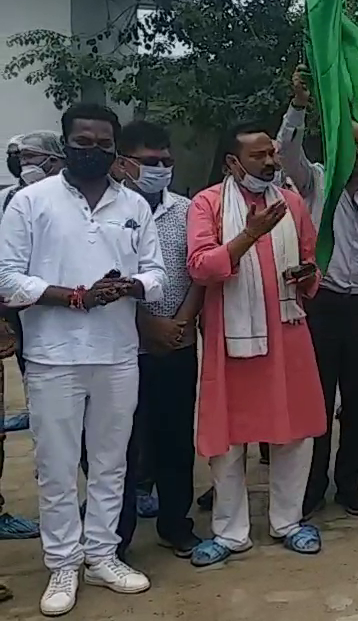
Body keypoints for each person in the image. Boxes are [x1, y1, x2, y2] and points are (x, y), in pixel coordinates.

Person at [0, 103, 165, 616]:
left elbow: (157, 273)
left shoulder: (135, 206)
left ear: (115, 147)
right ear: (66, 143)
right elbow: (6, 277)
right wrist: (71, 296)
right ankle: (63, 564)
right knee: (55, 465)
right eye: (83, 142)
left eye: (103, 143)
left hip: (117, 354)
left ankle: (102, 555)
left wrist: (132, 285)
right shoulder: (31, 202)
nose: (92, 150)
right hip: (53, 355)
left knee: (112, 462)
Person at [185, 121, 328, 567]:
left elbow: (310, 264)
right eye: (258, 156)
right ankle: (230, 534)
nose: (269, 162)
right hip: (231, 339)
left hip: (288, 335)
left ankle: (288, 522)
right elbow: (201, 267)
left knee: (295, 434)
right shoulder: (207, 204)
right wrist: (250, 234)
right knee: (228, 440)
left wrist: (308, 278)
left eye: (272, 154)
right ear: (232, 162)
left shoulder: (291, 203)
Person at [275, 68, 358, 518]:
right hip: (321, 305)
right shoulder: (315, 183)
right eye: (353, 145)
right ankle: (312, 485)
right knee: (318, 400)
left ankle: (349, 483)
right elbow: (285, 151)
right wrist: (299, 105)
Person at [111, 120, 203, 558]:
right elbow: (108, 280)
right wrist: (150, 326)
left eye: (167, 160)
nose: (161, 168)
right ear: (123, 162)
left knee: (175, 440)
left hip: (178, 344)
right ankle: (116, 535)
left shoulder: (186, 210)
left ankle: (175, 523)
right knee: (122, 446)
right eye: (151, 161)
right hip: (124, 347)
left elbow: (198, 272)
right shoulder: (108, 212)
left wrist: (181, 323)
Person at [2, 131, 66, 434]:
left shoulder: (71, 198)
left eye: (29, 156)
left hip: (64, 296)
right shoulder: (6, 199)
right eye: (18, 157)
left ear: (55, 160)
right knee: (29, 362)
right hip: (17, 298)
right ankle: (41, 425)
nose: (21, 163)